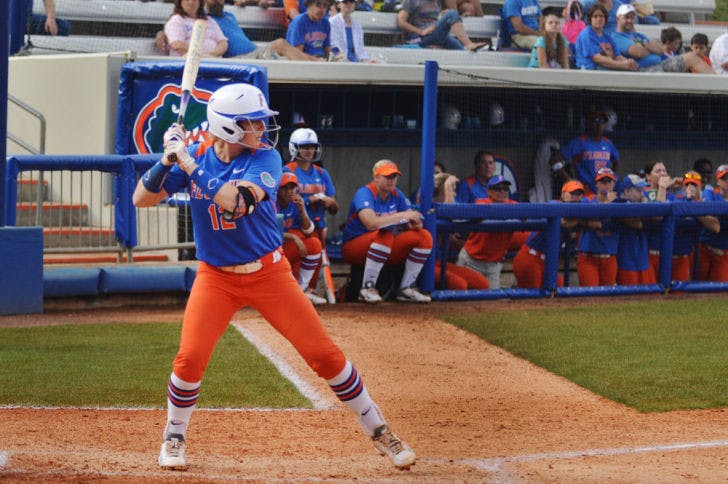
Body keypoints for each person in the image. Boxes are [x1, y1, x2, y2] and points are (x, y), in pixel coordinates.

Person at [132, 83, 416, 471]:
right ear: (229, 127)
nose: (262, 129)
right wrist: (167, 159)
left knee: (322, 354)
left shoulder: (264, 159)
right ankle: (174, 435)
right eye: (253, 122)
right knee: (190, 359)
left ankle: (380, 429)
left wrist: (188, 164)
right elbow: (140, 199)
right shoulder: (194, 156)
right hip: (216, 277)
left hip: (269, 274)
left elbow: (237, 202)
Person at [341, 160, 433, 303]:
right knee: (385, 235)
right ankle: (367, 288)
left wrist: (415, 223)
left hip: (383, 247)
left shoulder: (397, 194)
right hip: (354, 246)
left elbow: (416, 222)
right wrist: (401, 216)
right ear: (376, 177)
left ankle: (406, 288)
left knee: (424, 237)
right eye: (387, 176)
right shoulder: (365, 192)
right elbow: (370, 223)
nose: (391, 181)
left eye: (394, 177)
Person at [285, 128, 338, 298]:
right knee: (297, 260)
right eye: (304, 146)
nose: (309, 150)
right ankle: (297, 292)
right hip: (292, 225)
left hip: (317, 224)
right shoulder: (287, 170)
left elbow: (334, 208)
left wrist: (329, 202)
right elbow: (282, 200)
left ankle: (307, 289)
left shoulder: (322, 173)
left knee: (315, 261)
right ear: (295, 147)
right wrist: (310, 200)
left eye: (312, 146)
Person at [514, 179, 585, 289]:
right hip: (530, 257)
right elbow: (563, 223)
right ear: (563, 195)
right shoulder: (554, 204)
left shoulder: (584, 208)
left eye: (579, 194)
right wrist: (580, 219)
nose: (576, 197)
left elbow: (596, 223)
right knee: (532, 301)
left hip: (547, 262)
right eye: (572, 193)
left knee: (558, 292)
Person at [611, 4, 714, 74]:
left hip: (660, 64)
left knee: (692, 57)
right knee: (690, 58)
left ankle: (720, 84)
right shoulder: (616, 37)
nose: (630, 20)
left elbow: (660, 50)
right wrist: (648, 45)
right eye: (626, 17)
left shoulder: (638, 35)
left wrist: (644, 45)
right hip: (645, 70)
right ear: (618, 18)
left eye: (632, 17)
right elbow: (638, 52)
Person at [456, 175, 518, 290]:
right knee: (463, 299)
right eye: (498, 188)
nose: (502, 191)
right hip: (470, 261)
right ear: (489, 191)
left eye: (505, 188)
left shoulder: (514, 205)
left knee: (492, 304)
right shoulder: (481, 202)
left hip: (493, 267)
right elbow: (489, 211)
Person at [432, 172, 490, 290]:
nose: (454, 194)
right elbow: (448, 211)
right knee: (459, 285)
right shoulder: (430, 207)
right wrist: (448, 185)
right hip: (424, 265)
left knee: (482, 284)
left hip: (440, 263)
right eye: (452, 190)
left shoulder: (449, 204)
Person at [277, 171, 327, 305]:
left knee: (315, 244)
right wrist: (293, 237)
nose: (289, 191)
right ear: (277, 188)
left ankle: (302, 289)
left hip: (284, 248)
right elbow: (267, 232)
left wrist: (302, 210)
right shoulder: (270, 202)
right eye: (285, 188)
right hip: (268, 251)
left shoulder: (295, 204)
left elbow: (309, 230)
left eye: (292, 187)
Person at [204, 0, 313, 60]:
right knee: (280, 44)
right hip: (239, 60)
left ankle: (317, 61)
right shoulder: (206, 19)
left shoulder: (229, 15)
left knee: (287, 57)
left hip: (255, 53)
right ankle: (313, 70)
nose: (218, 2)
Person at [671, 171, 719, 282]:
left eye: (694, 185)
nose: (690, 188)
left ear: (700, 187)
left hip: (691, 254)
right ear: (683, 186)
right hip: (669, 252)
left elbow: (715, 227)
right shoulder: (676, 199)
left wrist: (693, 206)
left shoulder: (704, 203)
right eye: (687, 184)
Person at [576, 167, 619, 286]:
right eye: (603, 182)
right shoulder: (587, 201)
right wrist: (608, 206)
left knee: (606, 298)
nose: (606, 185)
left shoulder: (619, 202)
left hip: (609, 257)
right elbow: (581, 217)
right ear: (597, 184)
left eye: (609, 182)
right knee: (589, 297)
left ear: (614, 184)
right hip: (588, 256)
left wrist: (598, 223)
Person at [561, 111, 620, 196]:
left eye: (602, 121)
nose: (599, 124)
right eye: (596, 121)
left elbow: (616, 163)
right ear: (588, 123)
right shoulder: (579, 142)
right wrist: (569, 179)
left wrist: (611, 180)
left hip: (603, 192)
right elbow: (555, 160)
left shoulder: (608, 143)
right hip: (585, 191)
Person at [396, 0, 488, 51]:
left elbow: (433, 18)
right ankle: (469, 44)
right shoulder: (412, 1)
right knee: (452, 13)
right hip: (423, 38)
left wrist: (442, 15)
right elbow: (400, 21)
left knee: (461, 53)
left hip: (438, 35)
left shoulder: (437, 2)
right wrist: (421, 31)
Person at [615, 174, 653, 285]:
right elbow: (638, 224)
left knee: (646, 296)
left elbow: (655, 219)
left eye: (642, 189)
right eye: (637, 190)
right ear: (626, 192)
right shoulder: (618, 203)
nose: (642, 193)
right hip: (626, 261)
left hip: (643, 260)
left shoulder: (643, 202)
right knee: (629, 298)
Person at [575, 3, 637, 71]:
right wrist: (621, 65)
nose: (599, 19)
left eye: (601, 16)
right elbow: (597, 58)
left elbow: (617, 56)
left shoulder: (607, 37)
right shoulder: (586, 34)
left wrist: (628, 62)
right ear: (590, 19)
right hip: (590, 70)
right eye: (595, 16)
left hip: (606, 68)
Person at [698, 164, 728, 282]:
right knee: (696, 285)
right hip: (705, 249)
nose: (727, 181)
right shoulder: (710, 193)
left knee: (719, 291)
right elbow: (709, 218)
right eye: (724, 178)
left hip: (723, 253)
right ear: (718, 181)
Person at [529, 137, 571, 202]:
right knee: (538, 193)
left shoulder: (562, 153)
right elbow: (553, 162)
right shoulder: (546, 147)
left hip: (548, 175)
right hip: (542, 173)